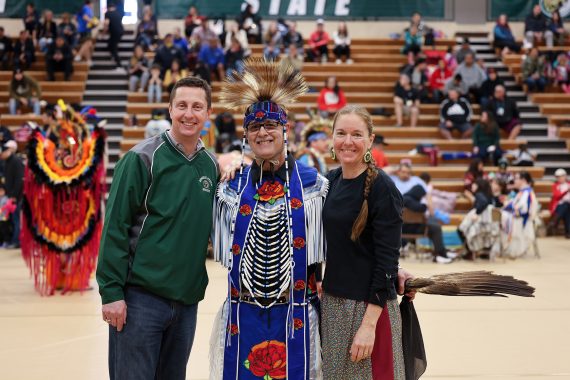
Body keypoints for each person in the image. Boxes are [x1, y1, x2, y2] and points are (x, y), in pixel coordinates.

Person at [210, 59, 329, 380]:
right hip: (241, 313)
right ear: (246, 135)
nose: (262, 132)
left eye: (270, 125)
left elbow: (346, 237)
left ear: (284, 129)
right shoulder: (230, 186)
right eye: (254, 127)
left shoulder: (314, 186)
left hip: (296, 315)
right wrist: (225, 159)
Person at [96, 76, 218, 380]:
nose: (189, 113)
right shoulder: (142, 158)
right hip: (141, 300)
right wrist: (111, 292)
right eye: (182, 106)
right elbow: (114, 226)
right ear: (170, 109)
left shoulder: (211, 167)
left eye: (197, 107)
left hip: (187, 303)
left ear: (208, 113)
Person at [321, 105, 409, 379]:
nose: (348, 141)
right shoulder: (331, 181)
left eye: (357, 134)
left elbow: (386, 258)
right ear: (332, 138)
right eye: (341, 133)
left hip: (370, 308)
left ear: (370, 140)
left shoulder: (382, 187)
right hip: (334, 306)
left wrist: (369, 325)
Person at [391, 162, 455, 264]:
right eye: (403, 172)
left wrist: (430, 210)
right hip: (401, 225)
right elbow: (423, 207)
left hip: (405, 225)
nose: (405, 174)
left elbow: (427, 194)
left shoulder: (413, 184)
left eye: (408, 172)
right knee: (435, 227)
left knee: (434, 225)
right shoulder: (393, 181)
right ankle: (441, 254)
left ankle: (442, 252)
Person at [458, 178, 500, 260]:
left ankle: (470, 252)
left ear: (478, 186)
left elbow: (483, 203)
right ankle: (485, 251)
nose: (472, 186)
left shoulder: (479, 194)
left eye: (474, 184)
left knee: (461, 230)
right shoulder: (489, 195)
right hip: (491, 226)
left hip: (482, 225)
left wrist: (476, 213)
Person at [501, 171, 538, 259]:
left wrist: (510, 207)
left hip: (522, 220)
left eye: (517, 179)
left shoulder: (527, 192)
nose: (515, 181)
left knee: (502, 218)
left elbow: (523, 210)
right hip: (518, 218)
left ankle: (512, 249)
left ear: (523, 180)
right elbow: (515, 204)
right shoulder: (522, 192)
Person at [1, 140, 24, 249]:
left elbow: (19, 180)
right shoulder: (7, 162)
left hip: (17, 196)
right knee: (10, 219)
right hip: (10, 196)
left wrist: (14, 195)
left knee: (17, 220)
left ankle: (17, 241)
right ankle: (12, 240)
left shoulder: (16, 161)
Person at [548, 168, 570, 238]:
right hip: (559, 205)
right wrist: (566, 191)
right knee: (566, 207)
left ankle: (555, 222)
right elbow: (557, 196)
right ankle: (568, 232)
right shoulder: (555, 185)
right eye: (558, 177)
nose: (560, 178)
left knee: (567, 210)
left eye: (561, 176)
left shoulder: (569, 184)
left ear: (565, 176)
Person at [104, 2, 124, 70]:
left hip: (114, 33)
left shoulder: (108, 13)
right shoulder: (118, 13)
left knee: (113, 47)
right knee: (110, 45)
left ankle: (119, 64)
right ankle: (112, 55)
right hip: (120, 32)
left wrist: (103, 33)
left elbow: (106, 23)